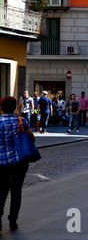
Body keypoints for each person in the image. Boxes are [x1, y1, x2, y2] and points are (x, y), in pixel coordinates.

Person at [0, 96, 36, 232]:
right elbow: (32, 138)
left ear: (1, 108)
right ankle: (12, 221)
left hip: (1, 162)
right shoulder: (22, 121)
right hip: (19, 161)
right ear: (15, 107)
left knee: (1, 190)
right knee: (16, 191)